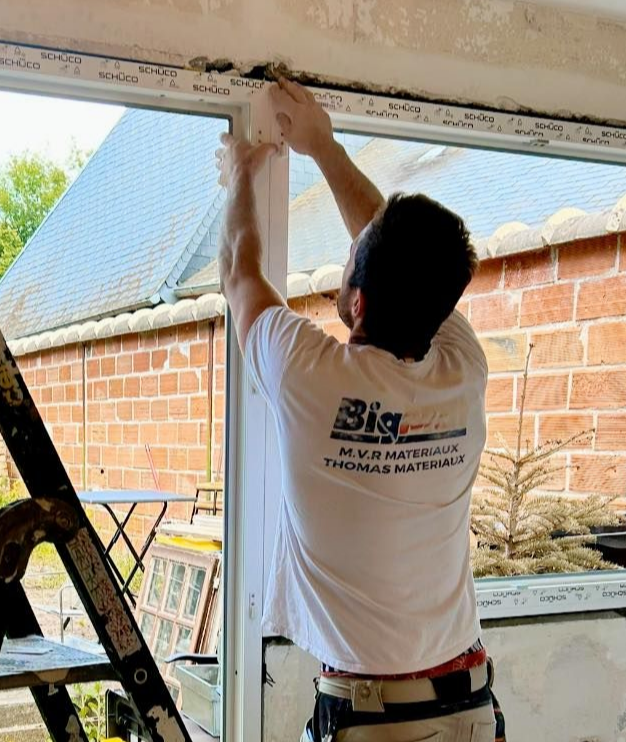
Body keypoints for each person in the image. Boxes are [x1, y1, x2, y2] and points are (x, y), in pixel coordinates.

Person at [214, 78, 505, 742]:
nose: (344, 264)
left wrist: (237, 176)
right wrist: (322, 145)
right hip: (466, 709)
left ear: (361, 303)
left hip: (379, 720)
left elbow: (239, 274)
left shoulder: (309, 375)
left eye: (349, 266)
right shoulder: (462, 367)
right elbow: (393, 249)